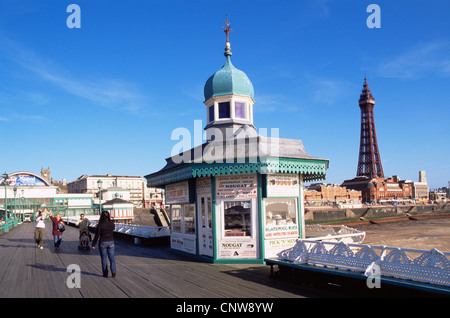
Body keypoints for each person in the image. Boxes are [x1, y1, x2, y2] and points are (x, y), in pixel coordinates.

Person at [92, 211, 116, 278]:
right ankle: (113, 272)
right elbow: (113, 228)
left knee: (104, 258)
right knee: (112, 258)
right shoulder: (111, 223)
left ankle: (105, 273)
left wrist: (93, 244)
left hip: (103, 242)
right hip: (111, 242)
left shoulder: (100, 224)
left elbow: (97, 235)